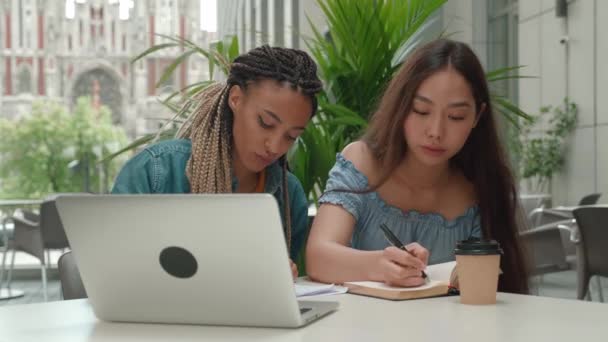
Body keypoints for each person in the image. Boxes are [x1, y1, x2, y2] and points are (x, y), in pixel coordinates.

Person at [305, 39, 529, 294]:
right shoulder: (361, 162)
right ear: (402, 106)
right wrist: (380, 265)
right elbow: (319, 257)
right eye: (421, 111)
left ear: (478, 116)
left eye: (456, 117)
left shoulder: (479, 190)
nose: (435, 132)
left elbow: (500, 294)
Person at [112, 45, 323, 280]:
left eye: (291, 136)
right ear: (236, 99)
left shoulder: (289, 196)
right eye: (265, 123)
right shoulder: (156, 171)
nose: (275, 146)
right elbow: (113, 268)